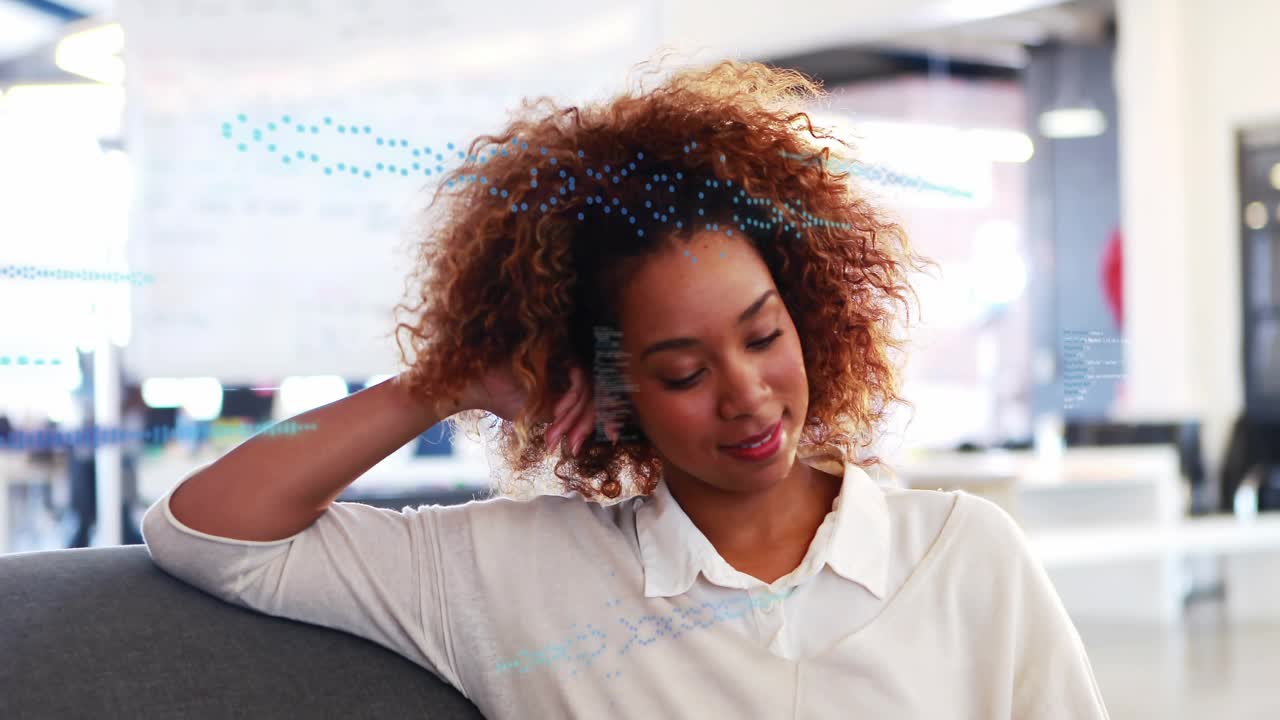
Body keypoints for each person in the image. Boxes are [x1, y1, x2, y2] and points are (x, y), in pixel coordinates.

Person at [141, 55, 1109, 718]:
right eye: (681, 371)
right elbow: (208, 529)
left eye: (763, 336)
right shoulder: (517, 574)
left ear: (808, 319)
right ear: (611, 383)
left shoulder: (957, 553)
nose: (746, 395)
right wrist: (444, 384)